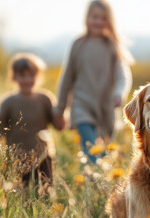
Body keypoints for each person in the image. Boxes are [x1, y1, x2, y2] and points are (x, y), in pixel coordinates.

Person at [54, 0, 133, 163]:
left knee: (103, 152)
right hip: (81, 106)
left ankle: (94, 182)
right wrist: (60, 108)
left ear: (109, 21)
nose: (98, 21)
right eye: (94, 17)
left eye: (103, 18)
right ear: (87, 18)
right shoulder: (78, 44)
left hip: (106, 108)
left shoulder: (111, 46)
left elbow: (122, 75)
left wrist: (119, 93)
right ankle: (95, 173)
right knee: (90, 147)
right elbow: (67, 78)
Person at [0, 53, 62, 189]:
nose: (27, 79)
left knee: (45, 190)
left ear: (38, 76)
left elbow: (57, 125)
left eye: (31, 75)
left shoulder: (45, 99)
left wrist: (63, 117)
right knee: (22, 191)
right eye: (22, 76)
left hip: (44, 156)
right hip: (17, 156)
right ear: (14, 77)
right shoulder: (8, 102)